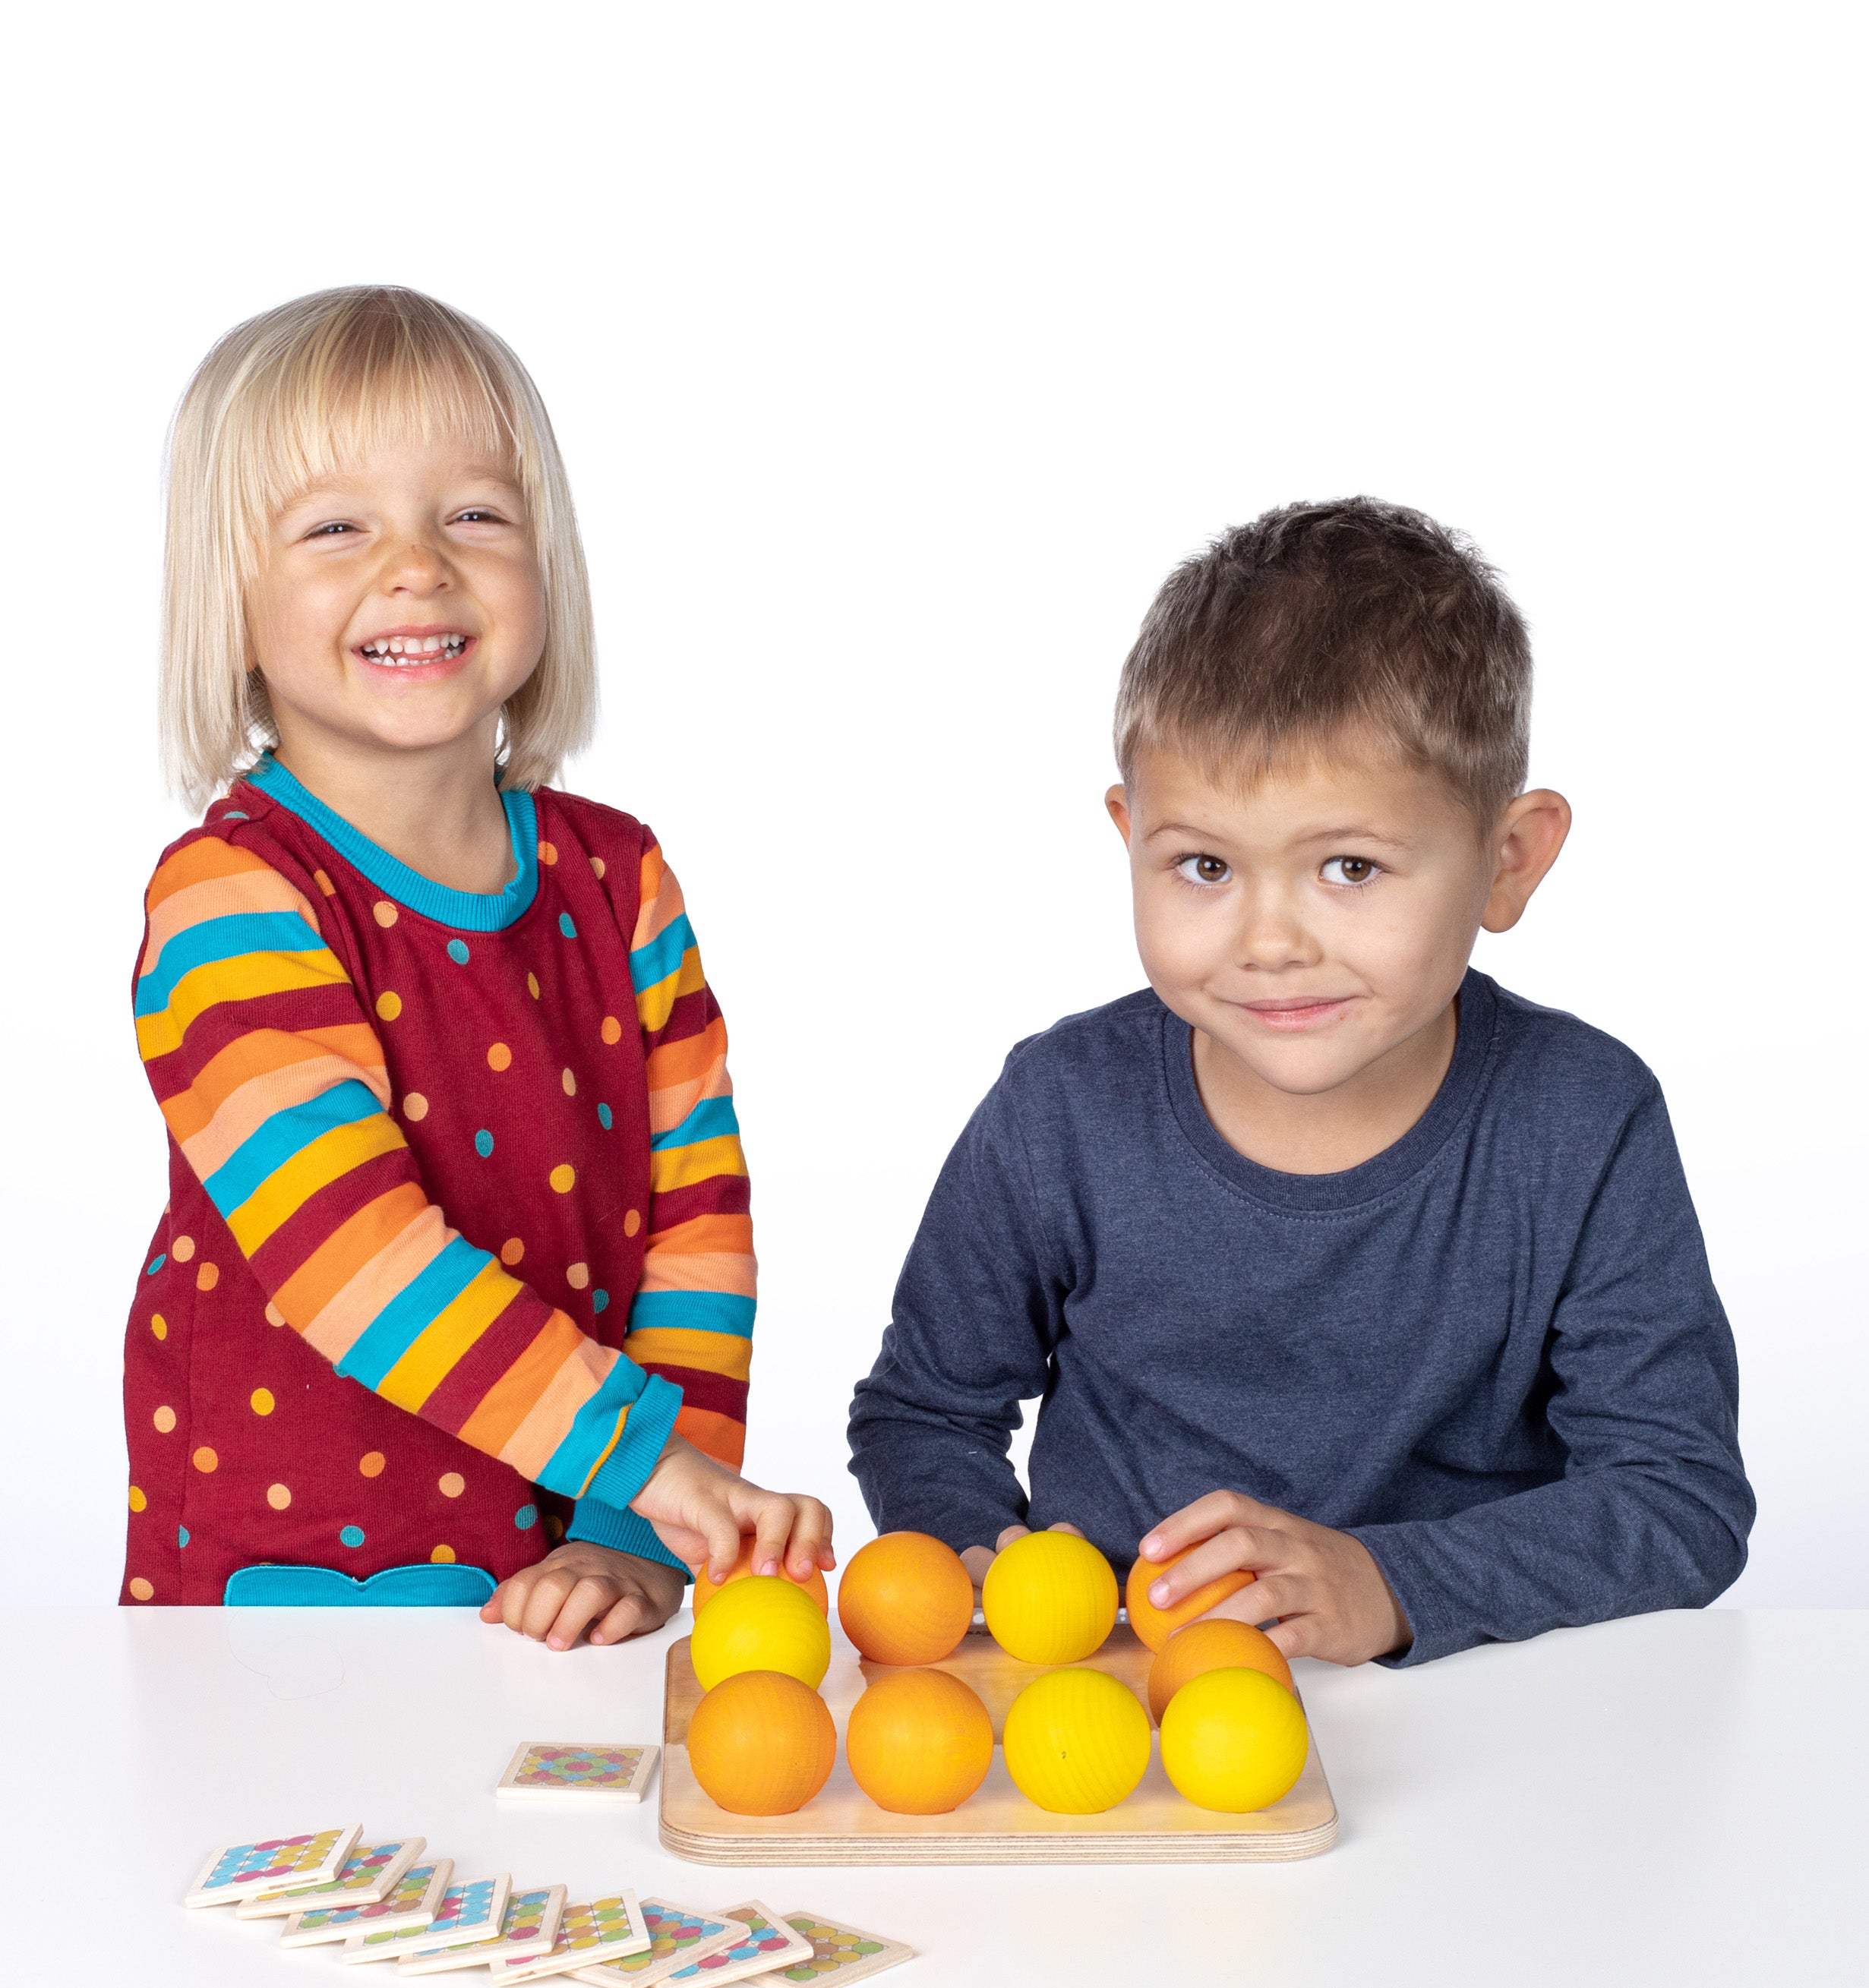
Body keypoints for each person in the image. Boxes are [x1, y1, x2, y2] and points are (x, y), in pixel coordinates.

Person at [848, 499, 1752, 1666]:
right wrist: (972, 1550)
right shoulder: (1060, 1106)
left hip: (1471, 1713)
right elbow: (925, 1410)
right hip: (1121, 1721)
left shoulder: (1581, 1120)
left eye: (1348, 866)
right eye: (1204, 865)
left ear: (1506, 860)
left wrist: (1391, 1581)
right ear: (1128, 836)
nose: (1268, 938)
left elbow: (1677, 1497)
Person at [125, 285, 831, 1643]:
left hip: (577, 1586)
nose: (417, 565)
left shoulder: (619, 882)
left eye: (475, 516)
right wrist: (652, 1463)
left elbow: (698, 1226)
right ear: (234, 599)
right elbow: (352, 1251)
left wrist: (637, 1533)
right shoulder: (233, 897)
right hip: (291, 1598)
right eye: (337, 527)